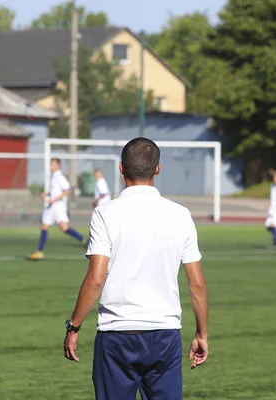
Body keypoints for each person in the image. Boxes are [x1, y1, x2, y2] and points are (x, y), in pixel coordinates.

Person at [63, 137, 209, 400]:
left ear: (121, 169)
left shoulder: (105, 213)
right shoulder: (180, 214)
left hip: (117, 333)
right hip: (165, 334)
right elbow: (196, 283)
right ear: (157, 169)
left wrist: (73, 327)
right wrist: (201, 333)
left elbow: (96, 279)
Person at [27, 158, 85, 261]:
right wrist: (47, 194)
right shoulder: (54, 176)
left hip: (57, 206)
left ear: (58, 165)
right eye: (51, 164)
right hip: (53, 206)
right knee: (46, 226)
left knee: (63, 227)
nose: (51, 166)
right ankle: (39, 251)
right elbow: (56, 191)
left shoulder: (59, 176)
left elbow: (66, 190)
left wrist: (54, 199)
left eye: (53, 164)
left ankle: (84, 240)